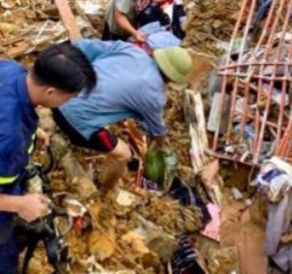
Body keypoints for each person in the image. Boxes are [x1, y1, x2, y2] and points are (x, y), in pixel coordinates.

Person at [0, 44, 97, 274]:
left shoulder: (7, 70)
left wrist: (32, 130)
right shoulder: (5, 142)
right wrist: (20, 204)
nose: (68, 103)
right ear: (51, 92)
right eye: (69, 97)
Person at [53, 41, 191, 192]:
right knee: (124, 154)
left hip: (56, 95)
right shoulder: (155, 96)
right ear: (172, 78)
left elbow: (85, 46)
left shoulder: (131, 50)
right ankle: (106, 192)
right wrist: (161, 146)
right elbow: (157, 131)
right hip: (73, 119)